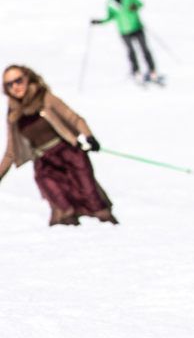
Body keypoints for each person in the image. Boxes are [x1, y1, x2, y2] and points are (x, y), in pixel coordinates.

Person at [1, 65, 117, 226]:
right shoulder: (13, 114)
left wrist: (89, 136)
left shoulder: (44, 98)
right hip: (45, 163)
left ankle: (113, 233)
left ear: (27, 79)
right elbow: (10, 152)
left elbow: (74, 118)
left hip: (69, 154)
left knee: (92, 199)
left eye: (18, 80)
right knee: (62, 209)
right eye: (9, 84)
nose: (15, 86)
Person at [93, 0, 159, 83]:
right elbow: (110, 16)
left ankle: (152, 70)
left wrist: (135, 6)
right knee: (131, 51)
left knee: (144, 49)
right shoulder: (110, 3)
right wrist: (100, 22)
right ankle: (136, 71)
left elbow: (140, 4)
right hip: (124, 30)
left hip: (137, 27)